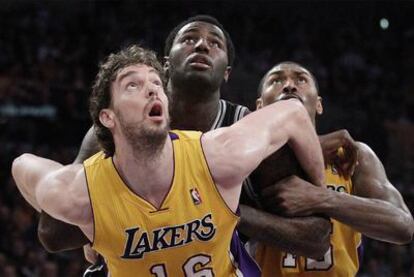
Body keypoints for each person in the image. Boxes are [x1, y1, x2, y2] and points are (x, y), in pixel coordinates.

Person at [38, 15, 331, 264]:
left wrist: (229, 210)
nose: (203, 45)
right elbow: (53, 232)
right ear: (166, 63)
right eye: (190, 39)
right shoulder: (120, 128)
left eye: (215, 43)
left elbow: (317, 239)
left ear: (227, 72)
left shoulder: (248, 132)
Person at [248, 61, 414, 276]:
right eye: (276, 80)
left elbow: (402, 226)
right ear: (259, 106)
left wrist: (321, 198)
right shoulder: (246, 158)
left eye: (301, 79)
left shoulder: (353, 155)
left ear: (319, 105)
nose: (289, 86)